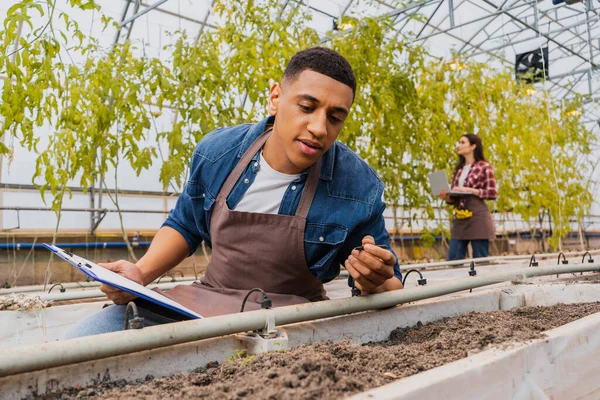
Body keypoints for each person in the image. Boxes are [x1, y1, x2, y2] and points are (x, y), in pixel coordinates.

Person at [66, 47, 403, 338]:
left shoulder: (357, 186)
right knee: (81, 340)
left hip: (291, 319)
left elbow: (392, 287)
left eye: (335, 117)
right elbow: (186, 224)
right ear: (275, 97)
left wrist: (375, 278)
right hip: (203, 302)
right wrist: (140, 274)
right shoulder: (218, 152)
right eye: (306, 107)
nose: (319, 128)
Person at [439, 134, 497, 261]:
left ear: (473, 146)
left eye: (462, 142)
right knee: (453, 260)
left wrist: (470, 190)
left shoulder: (484, 167)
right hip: (460, 216)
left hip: (478, 216)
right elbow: (455, 198)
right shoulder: (459, 170)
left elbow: (492, 193)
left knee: (480, 261)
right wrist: (446, 196)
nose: (458, 145)